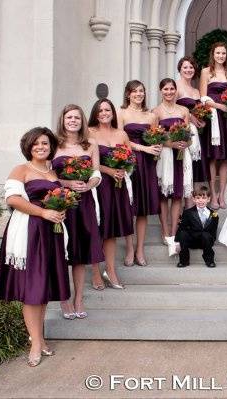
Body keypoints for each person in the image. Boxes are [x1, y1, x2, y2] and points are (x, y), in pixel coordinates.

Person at [0, 127, 69, 367]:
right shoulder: (21, 169)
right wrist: (44, 212)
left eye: (45, 144)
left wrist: (61, 209)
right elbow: (13, 200)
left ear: (51, 147)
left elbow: (61, 197)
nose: (41, 147)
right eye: (36, 144)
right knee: (32, 288)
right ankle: (35, 343)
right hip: (30, 232)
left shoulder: (53, 170)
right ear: (28, 146)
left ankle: (41, 338)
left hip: (52, 233)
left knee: (44, 287)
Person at [51, 104, 104, 319]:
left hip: (84, 204)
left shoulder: (90, 144)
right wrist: (67, 182)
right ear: (62, 120)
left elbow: (97, 173)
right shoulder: (53, 144)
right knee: (61, 251)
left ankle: (79, 297)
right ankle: (64, 298)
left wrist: (89, 185)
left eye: (77, 118)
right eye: (69, 117)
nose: (73, 120)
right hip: (59, 203)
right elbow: (47, 175)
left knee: (80, 252)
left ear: (82, 121)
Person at [88, 98, 134, 290]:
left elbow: (130, 159)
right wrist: (109, 171)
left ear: (113, 113)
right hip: (99, 184)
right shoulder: (89, 132)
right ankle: (96, 272)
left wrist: (125, 170)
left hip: (118, 186)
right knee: (98, 229)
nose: (104, 113)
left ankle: (110, 270)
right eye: (100, 110)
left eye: (107, 110)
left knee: (112, 230)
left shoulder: (121, 133)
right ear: (95, 114)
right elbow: (88, 162)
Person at [118, 80, 162, 266]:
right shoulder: (121, 113)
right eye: (135, 91)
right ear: (128, 94)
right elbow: (121, 140)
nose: (138, 94)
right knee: (129, 207)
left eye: (141, 91)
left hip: (147, 164)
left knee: (142, 209)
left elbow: (156, 137)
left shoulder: (151, 116)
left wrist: (156, 147)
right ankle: (129, 248)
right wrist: (144, 149)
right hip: (129, 162)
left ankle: (140, 249)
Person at [199, 42, 227, 209]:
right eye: (218, 53)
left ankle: (222, 195)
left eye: (223, 53)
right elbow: (203, 98)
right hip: (212, 120)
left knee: (225, 158)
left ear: (226, 55)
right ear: (213, 54)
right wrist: (220, 106)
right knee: (213, 157)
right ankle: (213, 196)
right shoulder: (206, 72)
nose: (221, 56)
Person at [152, 78, 191, 240]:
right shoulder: (155, 112)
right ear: (161, 91)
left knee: (177, 195)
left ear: (176, 90)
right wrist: (171, 144)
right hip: (164, 156)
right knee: (163, 195)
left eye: (171, 89)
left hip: (181, 156)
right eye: (166, 89)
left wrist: (184, 142)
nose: (169, 92)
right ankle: (165, 230)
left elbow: (189, 138)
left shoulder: (184, 111)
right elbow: (154, 137)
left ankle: (174, 231)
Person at [176, 56, 210, 206]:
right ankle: (187, 208)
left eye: (191, 67)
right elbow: (170, 110)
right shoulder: (175, 87)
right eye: (185, 67)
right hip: (184, 134)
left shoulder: (196, 90)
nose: (188, 70)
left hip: (198, 135)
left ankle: (195, 205)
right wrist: (189, 117)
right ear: (180, 69)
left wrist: (202, 118)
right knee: (186, 169)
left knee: (196, 170)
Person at [175, 186, 219, 268]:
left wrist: (211, 240)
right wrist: (177, 242)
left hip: (206, 241)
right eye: (198, 198)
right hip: (192, 240)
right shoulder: (188, 212)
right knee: (183, 233)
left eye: (204, 198)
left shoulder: (214, 214)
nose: (201, 200)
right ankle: (184, 261)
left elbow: (213, 230)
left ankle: (209, 260)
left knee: (206, 235)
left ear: (208, 199)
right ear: (194, 199)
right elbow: (182, 227)